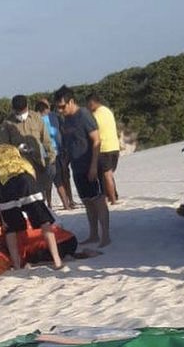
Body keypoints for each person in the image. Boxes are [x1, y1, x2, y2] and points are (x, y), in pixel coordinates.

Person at [0, 143, 64, 270]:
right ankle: (57, 261)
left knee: (11, 228)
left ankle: (16, 265)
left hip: (7, 186)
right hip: (28, 179)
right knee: (44, 221)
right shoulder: (7, 147)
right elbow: (26, 163)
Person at [55, 85, 111, 247]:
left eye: (62, 106)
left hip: (90, 165)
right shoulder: (66, 120)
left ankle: (105, 235)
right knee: (87, 201)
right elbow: (69, 144)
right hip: (77, 167)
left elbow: (96, 140)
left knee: (99, 200)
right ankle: (93, 234)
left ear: (71, 101)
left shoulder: (84, 115)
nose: (60, 110)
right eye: (57, 107)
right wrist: (66, 161)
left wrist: (93, 166)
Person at [0, 94, 57, 193]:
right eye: (18, 112)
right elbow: (3, 147)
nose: (21, 115)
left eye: (23, 111)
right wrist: (16, 149)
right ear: (13, 109)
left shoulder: (36, 118)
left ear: (27, 107)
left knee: (41, 193)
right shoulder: (7, 124)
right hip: (21, 168)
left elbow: (46, 140)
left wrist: (51, 158)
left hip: (39, 164)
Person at [36, 99, 74, 210]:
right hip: (53, 153)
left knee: (48, 182)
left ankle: (50, 204)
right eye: (47, 107)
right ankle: (65, 204)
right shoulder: (50, 118)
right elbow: (58, 134)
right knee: (58, 180)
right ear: (44, 109)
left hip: (47, 155)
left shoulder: (36, 120)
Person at [86, 94, 121, 205]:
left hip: (104, 148)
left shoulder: (95, 115)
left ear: (92, 102)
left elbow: (92, 132)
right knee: (109, 174)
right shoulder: (108, 111)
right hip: (115, 146)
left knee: (106, 175)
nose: (87, 107)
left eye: (88, 104)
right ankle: (112, 195)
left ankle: (113, 199)